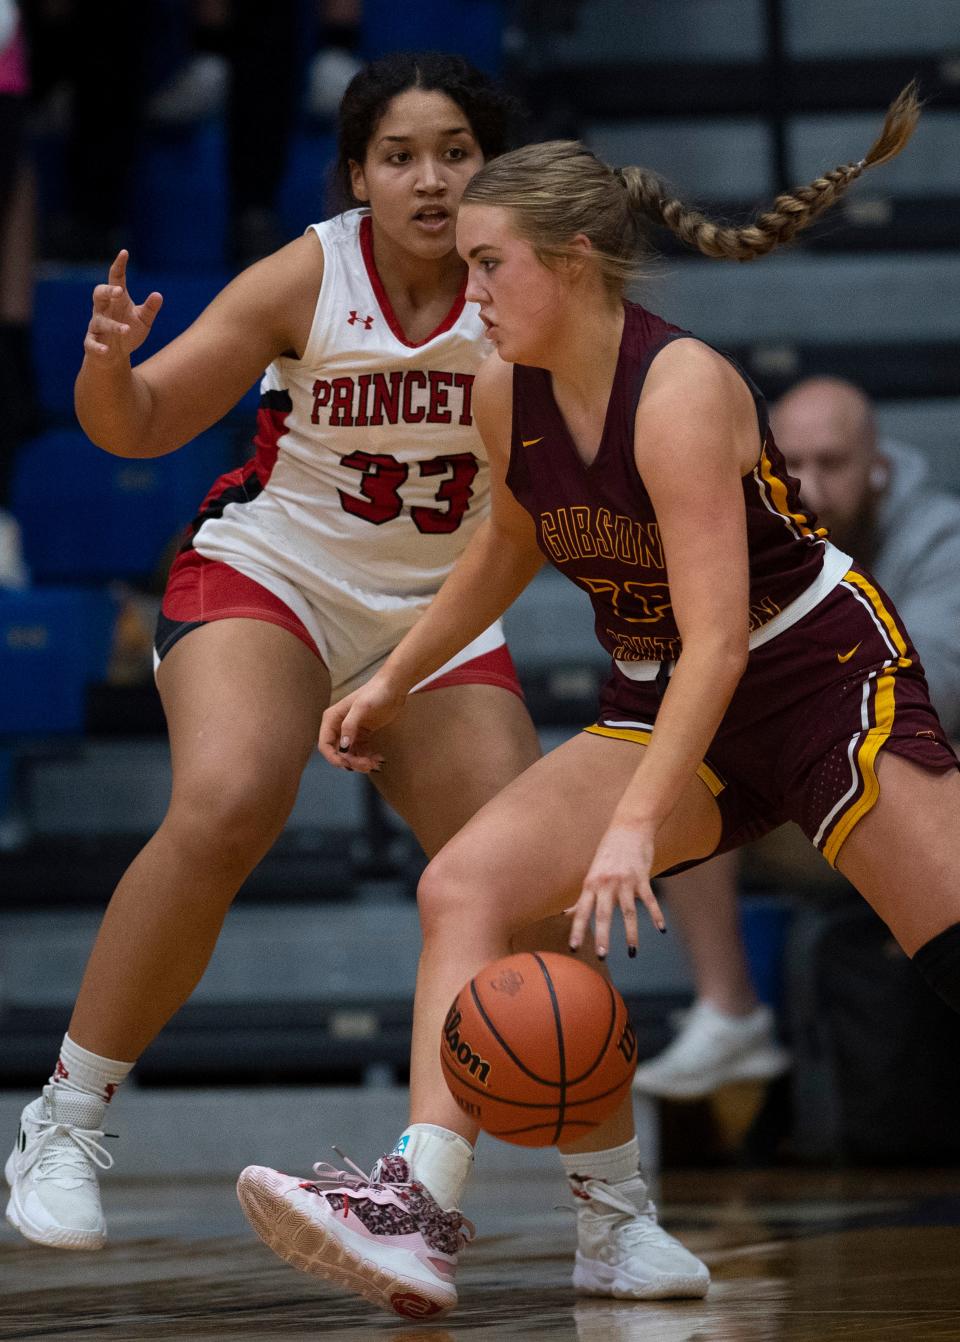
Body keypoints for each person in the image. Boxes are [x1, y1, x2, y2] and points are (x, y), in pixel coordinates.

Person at [238, 82, 960, 1320]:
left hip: (813, 677)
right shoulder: (503, 389)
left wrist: (634, 825)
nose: (468, 296)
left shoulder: (679, 392)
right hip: (660, 690)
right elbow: (501, 553)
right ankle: (466, 1211)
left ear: (572, 261)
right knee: (461, 883)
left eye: (489, 267)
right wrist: (394, 675)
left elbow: (726, 641)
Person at [4, 50, 706, 1309]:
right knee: (228, 799)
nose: (430, 180)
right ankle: (65, 1119)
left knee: (531, 900)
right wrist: (109, 369)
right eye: (400, 156)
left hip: (436, 619)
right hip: (270, 574)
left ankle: (614, 1212)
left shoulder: (532, 298)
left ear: (496, 171)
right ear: (358, 176)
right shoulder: (312, 273)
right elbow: (144, 423)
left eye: (455, 153)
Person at [633, 375, 960, 1100]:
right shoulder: (742, 529)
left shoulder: (941, 539)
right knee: (676, 756)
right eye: (793, 462)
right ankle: (729, 1014)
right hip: (788, 808)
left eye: (833, 463)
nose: (809, 485)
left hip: (904, 787)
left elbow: (927, 682)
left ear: (878, 466)